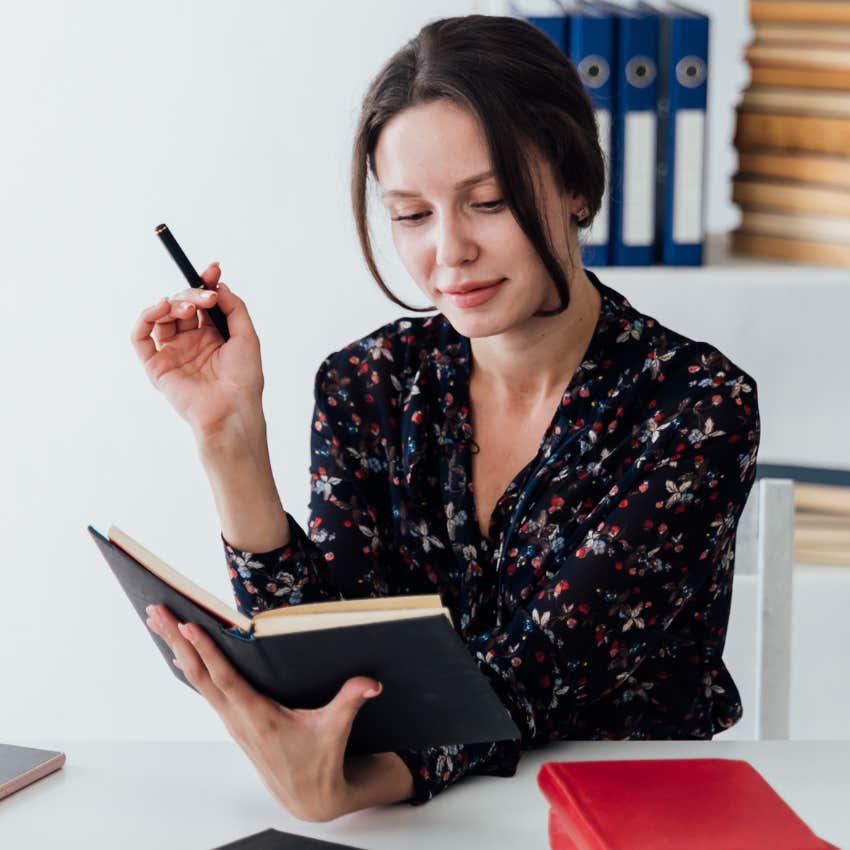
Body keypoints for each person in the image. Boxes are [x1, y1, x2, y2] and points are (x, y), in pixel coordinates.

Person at [130, 14, 760, 822]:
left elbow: (539, 667)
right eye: (411, 215)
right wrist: (228, 436)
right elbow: (331, 650)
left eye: (488, 202)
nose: (449, 250)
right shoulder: (368, 383)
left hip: (629, 814)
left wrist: (358, 783)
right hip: (422, 825)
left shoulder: (697, 405)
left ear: (576, 185)